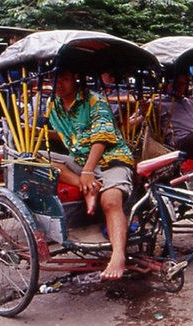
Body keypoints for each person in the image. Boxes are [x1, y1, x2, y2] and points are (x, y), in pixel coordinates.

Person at [48, 69, 134, 280]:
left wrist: (88, 171)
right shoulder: (55, 108)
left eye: (65, 78)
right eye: (55, 79)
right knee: (33, 158)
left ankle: (118, 256)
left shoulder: (94, 101)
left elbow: (102, 138)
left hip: (111, 159)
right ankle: (87, 188)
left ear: (75, 78)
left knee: (111, 200)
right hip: (80, 161)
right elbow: (64, 137)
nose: (59, 84)